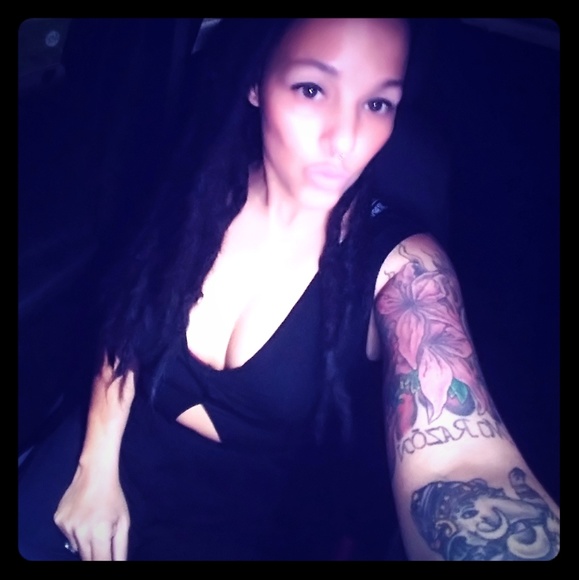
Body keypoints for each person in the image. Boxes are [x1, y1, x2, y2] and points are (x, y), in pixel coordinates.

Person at [18, 17, 560, 561]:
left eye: (377, 104)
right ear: (257, 82)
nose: (345, 139)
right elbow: (126, 320)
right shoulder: (199, 185)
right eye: (312, 89)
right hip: (103, 445)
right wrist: (95, 468)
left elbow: (460, 463)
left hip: (225, 530)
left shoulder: (405, 270)